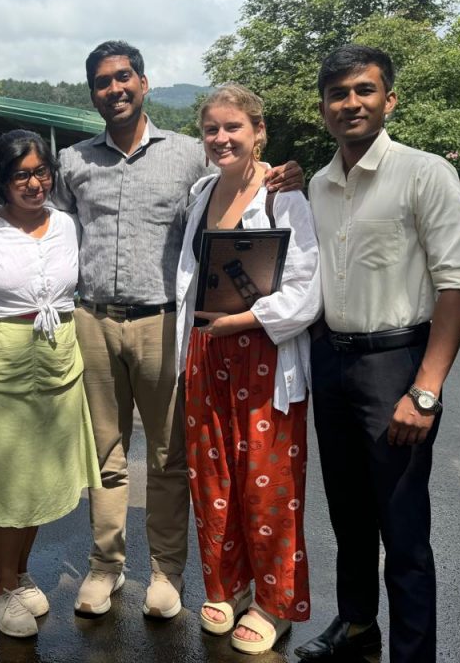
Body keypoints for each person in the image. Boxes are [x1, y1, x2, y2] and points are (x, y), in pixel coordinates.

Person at [0, 41, 303, 620]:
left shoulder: (189, 156)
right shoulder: (72, 162)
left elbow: (239, 175)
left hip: (163, 321)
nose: (114, 89)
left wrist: (278, 173)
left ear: (143, 84)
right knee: (107, 456)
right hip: (91, 321)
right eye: (102, 82)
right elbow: (40, 213)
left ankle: (167, 573)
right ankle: (105, 566)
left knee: (171, 456)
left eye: (124, 78)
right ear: (92, 92)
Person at [295, 45, 460, 663]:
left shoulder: (424, 173)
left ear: (388, 99)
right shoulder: (315, 186)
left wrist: (425, 390)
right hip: (332, 361)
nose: (351, 103)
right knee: (347, 516)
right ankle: (356, 625)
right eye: (338, 94)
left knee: (402, 529)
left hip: (396, 364)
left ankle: (413, 652)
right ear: (323, 108)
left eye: (364, 90)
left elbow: (457, 283)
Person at [173, 84, 321, 654]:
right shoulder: (202, 192)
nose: (221, 138)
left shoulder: (284, 197)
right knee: (213, 480)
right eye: (211, 129)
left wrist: (248, 322)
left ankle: (275, 602)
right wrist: (205, 335)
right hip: (207, 352)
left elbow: (308, 290)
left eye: (233, 127)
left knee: (268, 485)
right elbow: (190, 279)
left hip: (262, 353)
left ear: (259, 131)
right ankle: (227, 585)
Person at [0, 129, 101, 638]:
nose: (34, 183)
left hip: (56, 357)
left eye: (41, 172)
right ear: (2, 181)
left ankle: (18, 574)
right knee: (7, 480)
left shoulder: (66, 225)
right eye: (21, 175)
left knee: (38, 478)